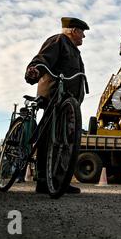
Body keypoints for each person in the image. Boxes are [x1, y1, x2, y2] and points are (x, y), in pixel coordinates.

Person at [24, 17, 90, 194]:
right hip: (54, 96)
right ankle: (43, 180)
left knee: (64, 141)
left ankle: (60, 180)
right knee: (49, 138)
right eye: (82, 33)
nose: (83, 37)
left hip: (68, 102)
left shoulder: (75, 51)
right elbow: (43, 58)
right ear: (74, 30)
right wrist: (35, 69)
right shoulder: (58, 40)